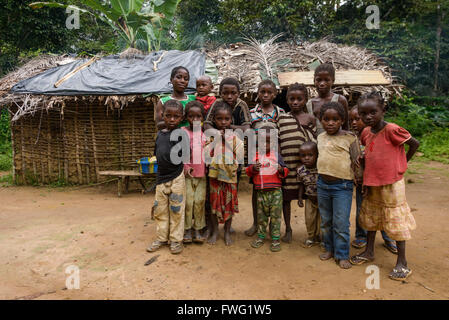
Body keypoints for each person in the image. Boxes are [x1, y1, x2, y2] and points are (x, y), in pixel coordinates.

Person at [349, 92, 420, 281]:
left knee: (395, 219)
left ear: (383, 110)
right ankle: (369, 251)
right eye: (363, 114)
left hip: (391, 184)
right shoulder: (365, 132)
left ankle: (402, 262)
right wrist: (363, 159)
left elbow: (414, 144)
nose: (368, 117)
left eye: (373, 112)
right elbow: (371, 149)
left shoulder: (392, 130)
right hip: (372, 182)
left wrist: (402, 164)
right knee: (372, 215)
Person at [316, 101, 362, 269]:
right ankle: (329, 249)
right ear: (321, 120)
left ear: (342, 120)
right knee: (326, 221)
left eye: (335, 119)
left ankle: (342, 254)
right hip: (322, 185)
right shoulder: (320, 137)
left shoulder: (350, 138)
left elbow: (357, 162)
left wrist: (360, 178)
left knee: (341, 222)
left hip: (342, 186)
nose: (330, 123)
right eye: (326, 119)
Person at [349, 106, 398, 254]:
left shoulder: (376, 135)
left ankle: (388, 237)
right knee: (362, 209)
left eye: (357, 119)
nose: (354, 122)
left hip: (380, 181)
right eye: (351, 120)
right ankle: (361, 235)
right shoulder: (351, 138)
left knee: (384, 209)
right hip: (361, 182)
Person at [245, 80, 285, 238]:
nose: (266, 95)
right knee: (256, 189)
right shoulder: (252, 113)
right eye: (263, 92)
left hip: (274, 157)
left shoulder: (280, 112)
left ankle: (273, 227)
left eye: (270, 92)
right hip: (257, 157)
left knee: (275, 190)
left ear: (275, 94)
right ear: (258, 93)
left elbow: (282, 136)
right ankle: (256, 223)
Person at [277, 83, 316, 243]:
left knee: (312, 200)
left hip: (307, 167)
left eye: (299, 99)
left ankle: (313, 232)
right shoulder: (282, 118)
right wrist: (280, 161)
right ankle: (288, 228)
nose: (295, 102)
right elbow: (279, 141)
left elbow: (315, 140)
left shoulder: (310, 118)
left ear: (305, 100)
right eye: (291, 99)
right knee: (286, 200)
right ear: (286, 100)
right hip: (288, 165)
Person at [147, 100, 187, 254]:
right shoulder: (159, 135)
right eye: (168, 116)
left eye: (175, 116)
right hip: (161, 178)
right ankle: (161, 238)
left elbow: (185, 156)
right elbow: (156, 153)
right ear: (162, 115)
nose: (171, 119)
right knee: (160, 210)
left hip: (177, 177)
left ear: (181, 118)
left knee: (176, 209)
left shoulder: (181, 135)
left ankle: (176, 240)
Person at [205, 101, 244, 246]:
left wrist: (226, 139)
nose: (223, 122)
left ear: (231, 120)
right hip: (214, 177)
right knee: (214, 204)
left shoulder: (235, 138)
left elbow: (239, 156)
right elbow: (206, 155)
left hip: (230, 177)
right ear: (214, 120)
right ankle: (215, 231)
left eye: (226, 119)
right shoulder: (210, 137)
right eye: (219, 119)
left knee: (228, 204)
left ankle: (227, 231)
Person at [246, 125, 289, 252]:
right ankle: (260, 236)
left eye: (268, 141)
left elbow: (286, 171)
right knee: (261, 217)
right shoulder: (255, 156)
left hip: (275, 192)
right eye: (262, 141)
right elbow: (248, 171)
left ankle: (275, 238)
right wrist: (253, 168)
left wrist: (281, 170)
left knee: (276, 217)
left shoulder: (277, 156)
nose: (265, 144)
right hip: (260, 193)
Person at [182, 101, 207, 244]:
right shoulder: (184, 133)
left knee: (199, 202)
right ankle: (187, 229)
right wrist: (186, 167)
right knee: (188, 203)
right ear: (186, 117)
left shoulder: (205, 135)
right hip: (187, 176)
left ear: (203, 118)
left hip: (202, 175)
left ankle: (198, 228)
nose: (195, 120)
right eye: (192, 117)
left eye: (198, 117)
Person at [306, 63, 349, 134]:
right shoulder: (309, 104)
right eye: (319, 80)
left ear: (333, 80)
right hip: (315, 144)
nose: (322, 83)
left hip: (336, 143)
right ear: (314, 80)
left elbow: (346, 127)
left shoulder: (340, 100)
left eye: (326, 80)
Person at [296, 141, 321, 248]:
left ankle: (321, 237)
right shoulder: (300, 170)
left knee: (322, 220)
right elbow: (301, 185)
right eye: (303, 156)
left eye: (310, 155)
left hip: (322, 199)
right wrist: (300, 198)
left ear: (317, 155)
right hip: (309, 199)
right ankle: (311, 237)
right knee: (309, 219)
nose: (306, 158)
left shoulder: (321, 168)